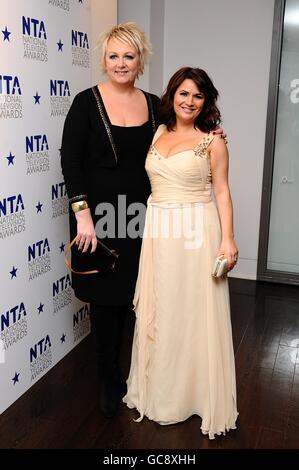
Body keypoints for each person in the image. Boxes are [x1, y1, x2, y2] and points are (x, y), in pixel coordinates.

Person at [61, 23, 225, 419]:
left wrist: (215, 133)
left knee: (140, 297)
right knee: (103, 301)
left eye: (128, 56)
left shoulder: (156, 105)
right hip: (97, 220)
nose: (121, 63)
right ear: (104, 60)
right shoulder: (85, 103)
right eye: (113, 56)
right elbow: (70, 161)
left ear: (140, 61)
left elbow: (185, 132)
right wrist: (83, 217)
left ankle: (140, 376)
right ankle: (107, 380)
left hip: (146, 218)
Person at [123, 67, 239, 439]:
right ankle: (160, 391)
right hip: (159, 230)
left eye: (198, 96)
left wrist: (229, 239)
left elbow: (221, 191)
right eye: (183, 94)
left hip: (195, 233)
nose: (189, 102)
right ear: (172, 95)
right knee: (164, 307)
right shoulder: (158, 131)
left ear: (206, 102)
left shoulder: (213, 141)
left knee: (192, 310)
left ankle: (193, 394)